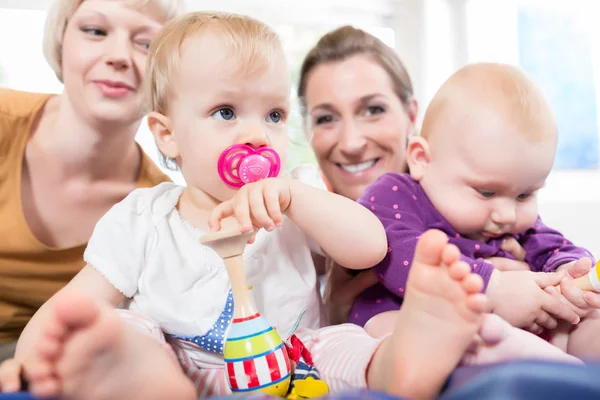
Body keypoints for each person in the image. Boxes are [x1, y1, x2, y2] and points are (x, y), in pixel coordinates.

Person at [4, 11, 542, 400]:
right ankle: (141, 384)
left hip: (294, 359)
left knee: (343, 343)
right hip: (181, 361)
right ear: (167, 135)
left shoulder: (297, 191)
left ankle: (404, 359)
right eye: (224, 112)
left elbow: (369, 245)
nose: (257, 134)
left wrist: (297, 197)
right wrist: (32, 361)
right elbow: (75, 301)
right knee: (128, 332)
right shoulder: (140, 215)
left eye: (275, 116)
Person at [356, 62, 600, 359]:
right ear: (421, 159)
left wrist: (569, 274)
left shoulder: (510, 218)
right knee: (392, 333)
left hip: (522, 330)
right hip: (410, 323)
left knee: (590, 321)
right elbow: (397, 255)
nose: (507, 215)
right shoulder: (394, 194)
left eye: (526, 194)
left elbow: (553, 245)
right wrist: (492, 287)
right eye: (486, 192)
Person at [297, 26, 531, 326]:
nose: (351, 143)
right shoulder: (294, 249)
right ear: (308, 133)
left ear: (410, 116)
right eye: (326, 119)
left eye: (372, 109)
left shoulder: (481, 204)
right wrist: (332, 317)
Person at [0, 0, 184, 370]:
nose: (118, 56)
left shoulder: (162, 212)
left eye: (146, 44)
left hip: (51, 367)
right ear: (60, 42)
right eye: (95, 31)